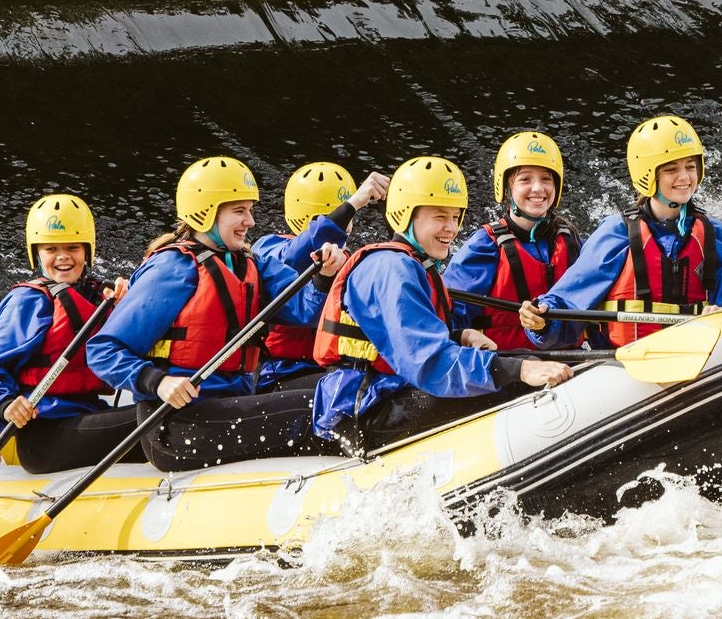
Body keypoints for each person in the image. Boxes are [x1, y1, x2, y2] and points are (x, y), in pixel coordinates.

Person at [85, 156, 342, 471]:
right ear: (205, 214)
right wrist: (157, 381)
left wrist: (324, 276)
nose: (250, 221)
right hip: (177, 423)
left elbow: (306, 311)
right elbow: (102, 350)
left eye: (249, 210)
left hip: (230, 403)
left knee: (339, 389)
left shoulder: (251, 264)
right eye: (239, 211)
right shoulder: (173, 268)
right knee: (324, 404)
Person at [311, 156, 574, 450]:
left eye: (454, 216)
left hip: (386, 392)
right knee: (517, 378)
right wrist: (518, 370)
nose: (451, 228)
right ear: (405, 215)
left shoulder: (415, 264)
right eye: (439, 216)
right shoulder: (391, 269)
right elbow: (429, 361)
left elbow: (406, 339)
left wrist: (458, 335)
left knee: (525, 362)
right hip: (365, 409)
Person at [518, 115, 722, 348]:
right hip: (626, 364)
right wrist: (543, 321)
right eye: (671, 169)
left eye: (690, 167)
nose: (684, 177)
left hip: (699, 360)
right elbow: (569, 301)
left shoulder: (715, 234)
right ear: (648, 174)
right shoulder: (618, 232)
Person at [0, 194, 135, 473]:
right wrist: (4, 406)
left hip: (87, 415)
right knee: (157, 421)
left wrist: (130, 305)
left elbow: (137, 350)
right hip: (45, 437)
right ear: (37, 253)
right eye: (51, 249)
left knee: (160, 408)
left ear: (87, 251)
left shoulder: (101, 296)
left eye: (73, 247)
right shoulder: (28, 301)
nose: (63, 256)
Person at [255, 162, 390, 389]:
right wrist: (353, 204)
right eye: (343, 214)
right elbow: (294, 257)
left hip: (330, 369)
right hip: (280, 372)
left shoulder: (350, 260)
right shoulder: (268, 248)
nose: (347, 224)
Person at [445, 131, 580, 350]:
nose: (538, 188)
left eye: (546, 179)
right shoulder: (484, 246)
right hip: (508, 367)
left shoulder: (570, 239)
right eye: (525, 179)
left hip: (571, 361)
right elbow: (451, 317)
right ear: (507, 188)